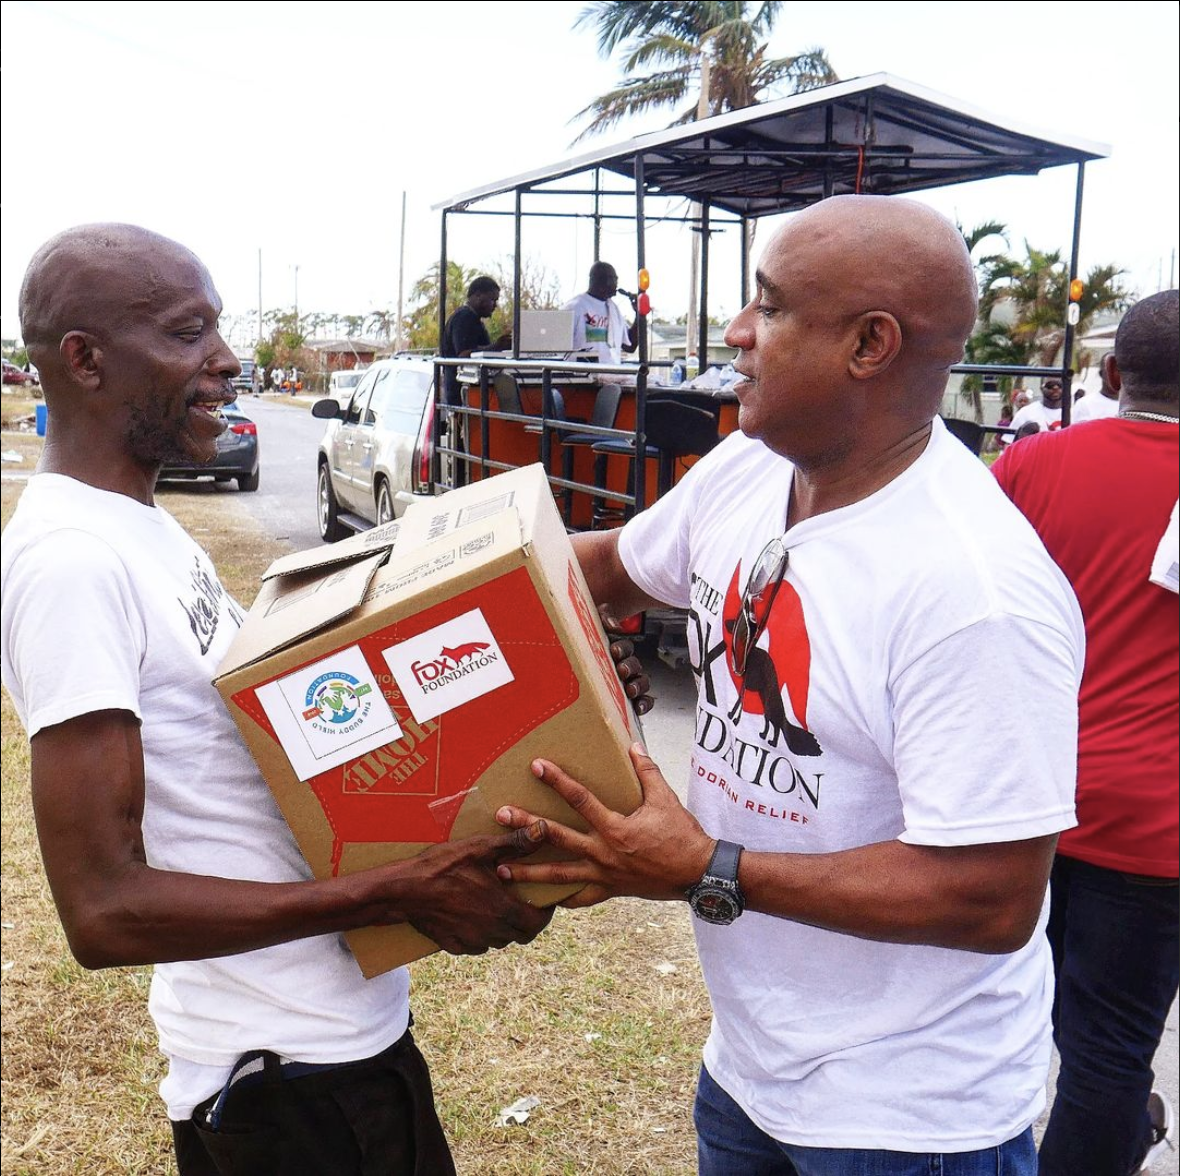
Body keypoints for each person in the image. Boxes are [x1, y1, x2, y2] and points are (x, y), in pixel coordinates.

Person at [495, 194, 1084, 1172]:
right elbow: (606, 567)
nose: (734, 333)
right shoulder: (745, 468)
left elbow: (991, 897)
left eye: (766, 308)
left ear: (868, 345)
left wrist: (704, 867)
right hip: (748, 1069)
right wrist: (420, 584)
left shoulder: (972, 591)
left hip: (906, 1121)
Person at [0, 224, 556, 1176]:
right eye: (186, 335)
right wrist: (393, 892)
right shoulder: (71, 566)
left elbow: (261, 757)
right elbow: (103, 909)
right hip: (282, 1088)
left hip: (342, 1048)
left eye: (218, 329)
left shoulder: (140, 527)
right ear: (84, 361)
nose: (225, 360)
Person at [993, 290, 1179, 1176]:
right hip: (1152, 828)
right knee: (1105, 1055)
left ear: (1110, 374)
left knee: (996, 1018)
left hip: (1017, 795)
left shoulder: (1028, 465)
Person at [439, 276, 511, 405]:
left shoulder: (473, 319)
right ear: (478, 295)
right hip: (462, 395)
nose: (495, 305)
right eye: (492, 300)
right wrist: (496, 347)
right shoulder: (464, 317)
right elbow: (463, 354)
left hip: (468, 393)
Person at [563, 261, 636, 365]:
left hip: (611, 374)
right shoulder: (575, 307)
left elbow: (630, 346)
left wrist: (639, 315)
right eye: (613, 279)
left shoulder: (614, 309)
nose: (616, 284)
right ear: (598, 280)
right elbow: (557, 348)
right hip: (582, 375)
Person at [1072, 351, 1121, 421]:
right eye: (1109, 370)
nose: (1115, 375)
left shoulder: (1134, 405)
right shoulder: (1084, 404)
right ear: (1101, 374)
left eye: (1118, 370)